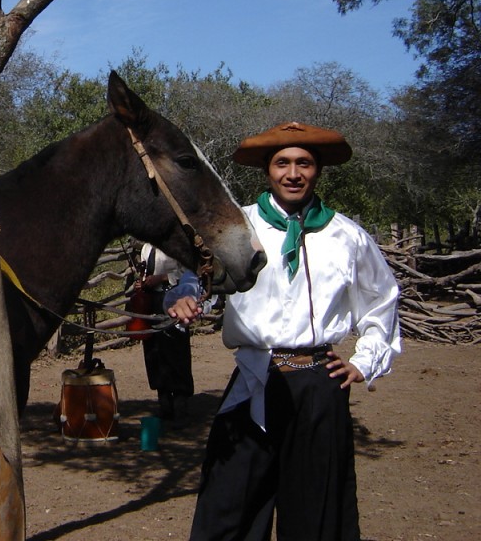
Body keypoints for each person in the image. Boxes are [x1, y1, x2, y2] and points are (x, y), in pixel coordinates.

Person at [169, 121, 401, 541]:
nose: (293, 173)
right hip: (253, 380)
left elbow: (382, 299)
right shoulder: (236, 227)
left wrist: (365, 362)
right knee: (230, 507)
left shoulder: (347, 236)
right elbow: (200, 279)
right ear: (267, 170)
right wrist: (186, 298)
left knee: (317, 511)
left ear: (318, 171)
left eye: (304, 163)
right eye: (282, 163)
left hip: (319, 384)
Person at [136, 243, 200, 421]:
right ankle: (164, 401)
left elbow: (188, 272)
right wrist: (142, 283)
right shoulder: (146, 248)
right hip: (152, 300)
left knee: (176, 349)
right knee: (153, 349)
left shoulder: (173, 244)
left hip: (172, 298)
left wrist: (163, 277)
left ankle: (180, 403)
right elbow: (144, 273)